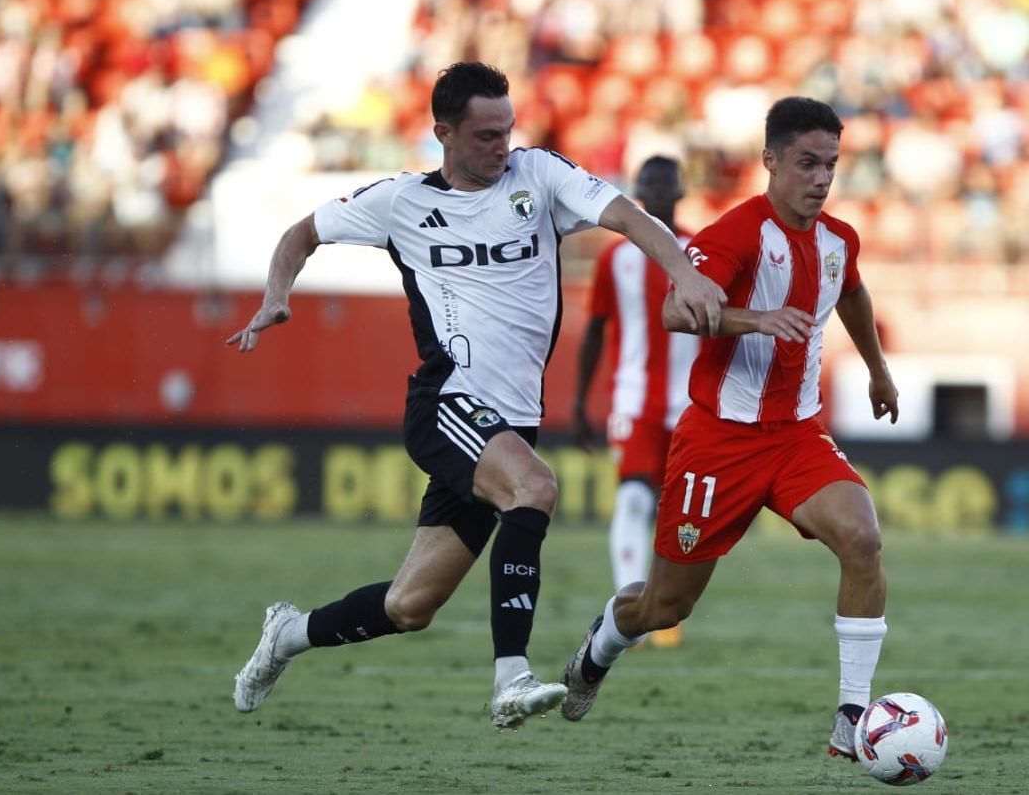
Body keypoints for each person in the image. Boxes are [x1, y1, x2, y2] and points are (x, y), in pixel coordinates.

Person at [225, 62, 723, 729]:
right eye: (487, 135)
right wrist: (276, 297)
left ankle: (287, 634)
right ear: (443, 133)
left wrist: (683, 275)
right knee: (537, 488)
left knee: (410, 606)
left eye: (508, 131)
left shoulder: (539, 177)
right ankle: (510, 676)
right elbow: (300, 235)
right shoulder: (401, 202)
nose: (502, 146)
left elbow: (631, 218)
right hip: (447, 402)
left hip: (509, 422)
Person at [555, 96, 900, 761]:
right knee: (663, 609)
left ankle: (851, 717)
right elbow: (677, 314)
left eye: (831, 164)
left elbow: (851, 291)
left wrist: (878, 371)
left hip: (797, 435)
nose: (822, 177)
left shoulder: (838, 241)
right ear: (770, 161)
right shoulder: (735, 234)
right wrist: (753, 319)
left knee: (861, 535)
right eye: (807, 163)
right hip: (718, 442)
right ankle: (600, 647)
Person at [572, 156, 697, 649]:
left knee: (679, 511)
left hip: (691, 407)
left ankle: (664, 605)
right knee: (633, 498)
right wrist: (581, 403)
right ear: (639, 192)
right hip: (634, 402)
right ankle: (633, 606)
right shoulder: (614, 259)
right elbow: (595, 332)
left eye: (667, 183)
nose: (659, 191)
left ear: (681, 191)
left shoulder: (700, 252)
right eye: (650, 183)